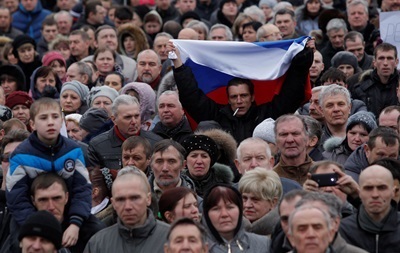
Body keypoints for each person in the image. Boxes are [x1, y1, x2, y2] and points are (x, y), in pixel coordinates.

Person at [168, 38, 314, 143]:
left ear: (252, 97)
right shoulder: (216, 117)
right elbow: (191, 97)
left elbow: (291, 94)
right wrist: (179, 65)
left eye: (244, 95)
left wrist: (304, 57)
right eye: (234, 97)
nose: (239, 101)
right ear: (228, 99)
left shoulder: (269, 114)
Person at [5, 98, 91, 250]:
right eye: (43, 118)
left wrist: (75, 223)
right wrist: (38, 227)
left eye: (55, 117)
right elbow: (16, 198)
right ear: (32, 124)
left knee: (96, 232)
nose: (50, 122)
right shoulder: (20, 155)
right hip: (29, 217)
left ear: (62, 121)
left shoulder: (74, 150)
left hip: (68, 214)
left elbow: (82, 189)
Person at [84, 166, 170, 253]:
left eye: (135, 198)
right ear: (113, 203)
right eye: (120, 200)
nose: (128, 206)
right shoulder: (98, 243)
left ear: (148, 199)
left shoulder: (172, 238)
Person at [30, 173, 104, 253]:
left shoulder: (92, 231)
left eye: (57, 198)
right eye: (43, 200)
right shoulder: (20, 233)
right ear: (33, 201)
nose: (51, 207)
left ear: (66, 197)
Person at [88, 95, 163, 169]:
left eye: (136, 116)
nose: (134, 121)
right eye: (128, 117)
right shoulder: (97, 146)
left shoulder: (156, 143)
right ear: (114, 119)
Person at [339, 165, 400, 253]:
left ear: (393, 192)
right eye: (368, 188)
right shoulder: (343, 231)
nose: (375, 194)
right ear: (359, 192)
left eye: (382, 188)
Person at [202, 184, 271, 253]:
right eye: (216, 209)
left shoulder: (264, 244)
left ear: (240, 211)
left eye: (230, 207)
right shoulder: (197, 246)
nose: (224, 214)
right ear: (206, 214)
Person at [352, 43, 399, 118]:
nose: (385, 63)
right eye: (381, 58)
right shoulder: (361, 88)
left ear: (396, 62)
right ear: (374, 63)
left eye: (390, 58)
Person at [238, 167, 282, 235]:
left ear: (273, 202)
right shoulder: (227, 230)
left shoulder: (284, 234)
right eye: (244, 198)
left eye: (255, 199)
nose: (247, 205)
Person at [273, 114, 313, 185]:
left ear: (307, 139)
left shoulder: (322, 172)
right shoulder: (270, 180)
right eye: (283, 134)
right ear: (276, 141)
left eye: (295, 133)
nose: (290, 140)